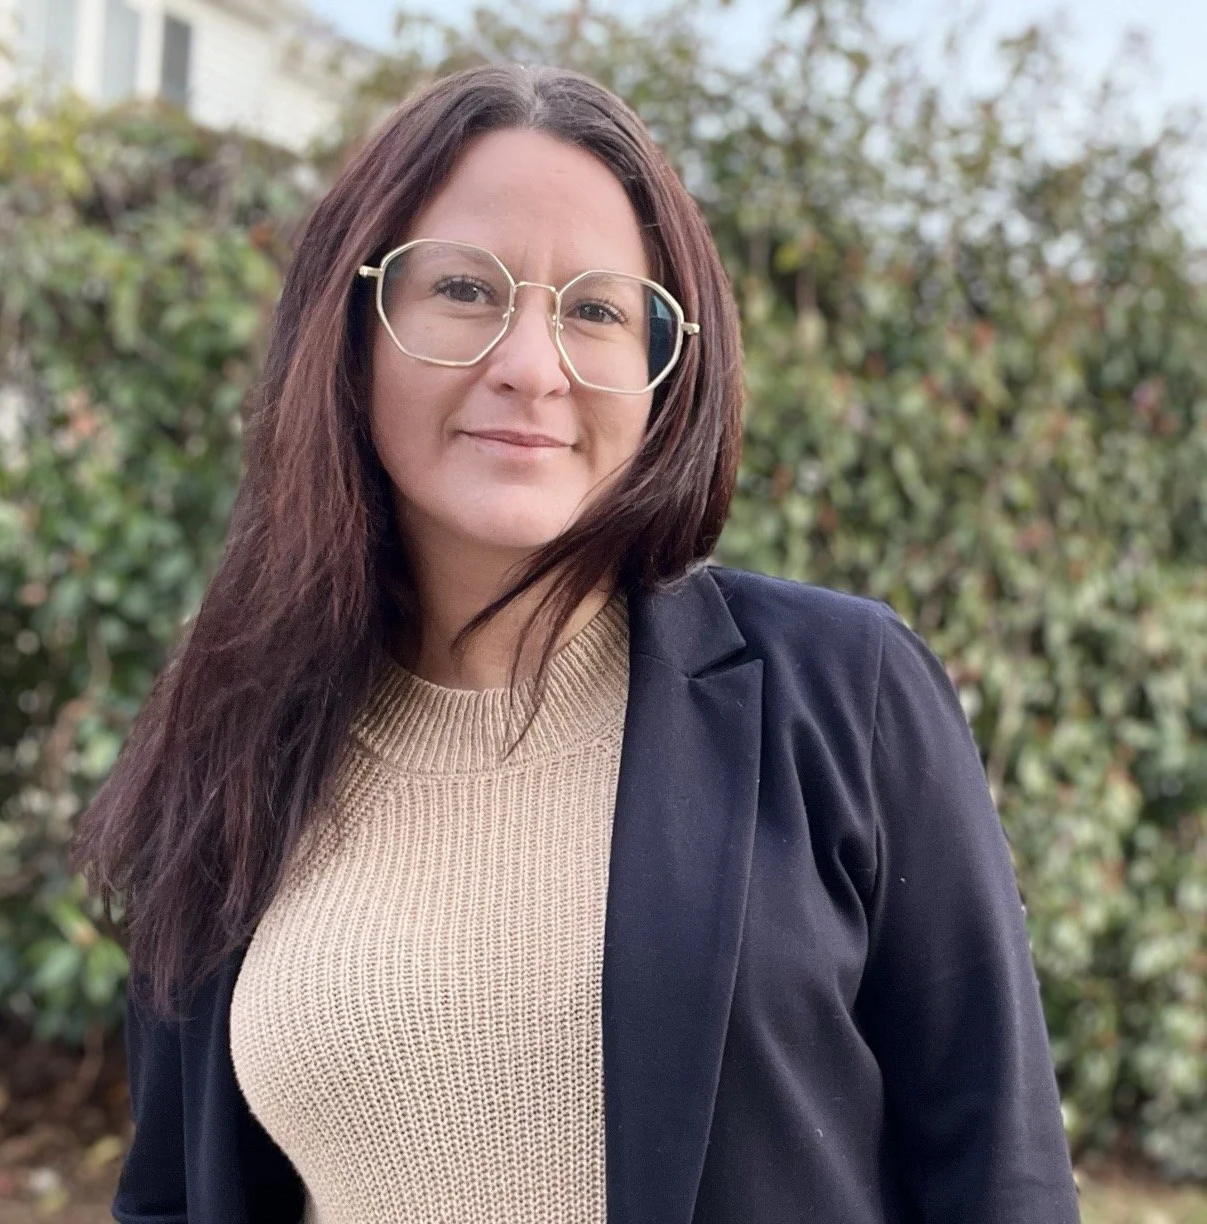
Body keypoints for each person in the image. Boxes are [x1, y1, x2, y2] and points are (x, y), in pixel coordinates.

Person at [71, 62, 1080, 1224]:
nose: (529, 366)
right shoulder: (237, 732)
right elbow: (171, 1197)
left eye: (596, 308)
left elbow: (998, 1177)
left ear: (665, 368)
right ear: (349, 327)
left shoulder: (840, 696)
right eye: (462, 288)